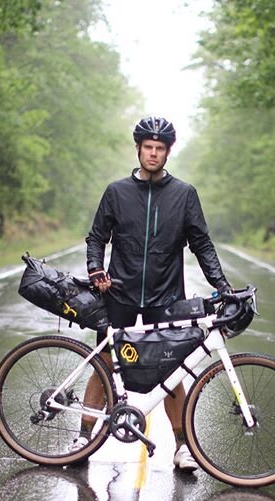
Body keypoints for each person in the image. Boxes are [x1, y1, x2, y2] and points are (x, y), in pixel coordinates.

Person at [77, 115, 231, 471]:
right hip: (119, 292)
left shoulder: (184, 194)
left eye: (160, 149)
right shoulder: (117, 192)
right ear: (138, 149)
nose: (153, 153)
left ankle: (182, 448)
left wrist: (221, 285)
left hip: (166, 296)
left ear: (167, 152)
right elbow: (96, 237)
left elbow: (201, 244)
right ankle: (83, 438)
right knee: (105, 363)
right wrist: (95, 269)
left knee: (172, 371)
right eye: (148, 147)